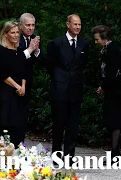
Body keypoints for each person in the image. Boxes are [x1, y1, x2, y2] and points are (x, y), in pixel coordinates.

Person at [46, 14, 89, 162]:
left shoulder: (84, 43)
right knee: (58, 123)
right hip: (60, 89)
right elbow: (50, 66)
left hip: (76, 89)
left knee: (73, 124)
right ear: (68, 24)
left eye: (79, 24)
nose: (77, 27)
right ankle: (56, 155)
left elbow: (84, 65)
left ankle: (70, 155)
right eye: (75, 24)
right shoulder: (56, 43)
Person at [0, 21, 39, 148]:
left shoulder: (20, 51)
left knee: (20, 127)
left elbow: (24, 71)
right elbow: (3, 74)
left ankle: (18, 156)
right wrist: (17, 86)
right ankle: (3, 158)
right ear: (6, 34)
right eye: (12, 32)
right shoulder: (0, 51)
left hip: (20, 94)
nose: (15, 35)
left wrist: (23, 86)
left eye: (17, 32)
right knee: (6, 129)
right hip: (6, 93)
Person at [92, 25, 121, 162]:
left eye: (97, 39)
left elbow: (112, 73)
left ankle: (115, 152)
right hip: (113, 90)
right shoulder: (108, 49)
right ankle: (114, 151)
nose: (96, 42)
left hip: (115, 91)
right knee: (112, 120)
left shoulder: (112, 50)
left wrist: (103, 86)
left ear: (104, 37)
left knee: (115, 120)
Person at [18, 13, 45, 104]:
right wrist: (30, 49)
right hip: (14, 79)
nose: (31, 28)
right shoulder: (15, 37)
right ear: (20, 25)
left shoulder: (34, 38)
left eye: (33, 25)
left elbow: (41, 61)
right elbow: (17, 59)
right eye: (28, 25)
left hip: (29, 79)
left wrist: (37, 50)